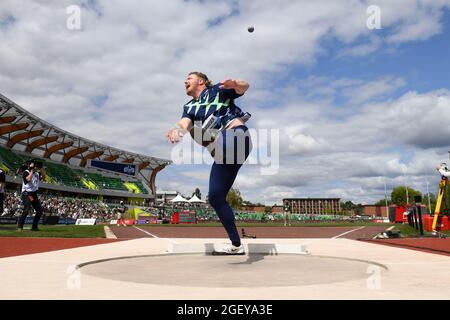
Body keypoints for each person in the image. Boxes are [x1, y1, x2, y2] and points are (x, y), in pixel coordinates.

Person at [166, 71, 252, 255]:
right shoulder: (189, 106)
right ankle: (236, 244)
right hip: (226, 152)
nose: (185, 81)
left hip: (236, 136)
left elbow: (244, 87)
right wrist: (176, 131)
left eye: (189, 78)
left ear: (201, 81)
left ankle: (210, 139)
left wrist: (236, 83)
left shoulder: (216, 90)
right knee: (215, 197)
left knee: (201, 133)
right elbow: (184, 123)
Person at [17, 159, 46, 231]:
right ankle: (20, 226)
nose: (36, 167)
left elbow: (44, 177)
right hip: (27, 194)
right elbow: (29, 179)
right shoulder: (26, 172)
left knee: (39, 211)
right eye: (34, 165)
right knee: (26, 209)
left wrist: (41, 167)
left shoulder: (37, 174)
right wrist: (32, 170)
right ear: (30, 166)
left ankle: (34, 227)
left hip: (33, 194)